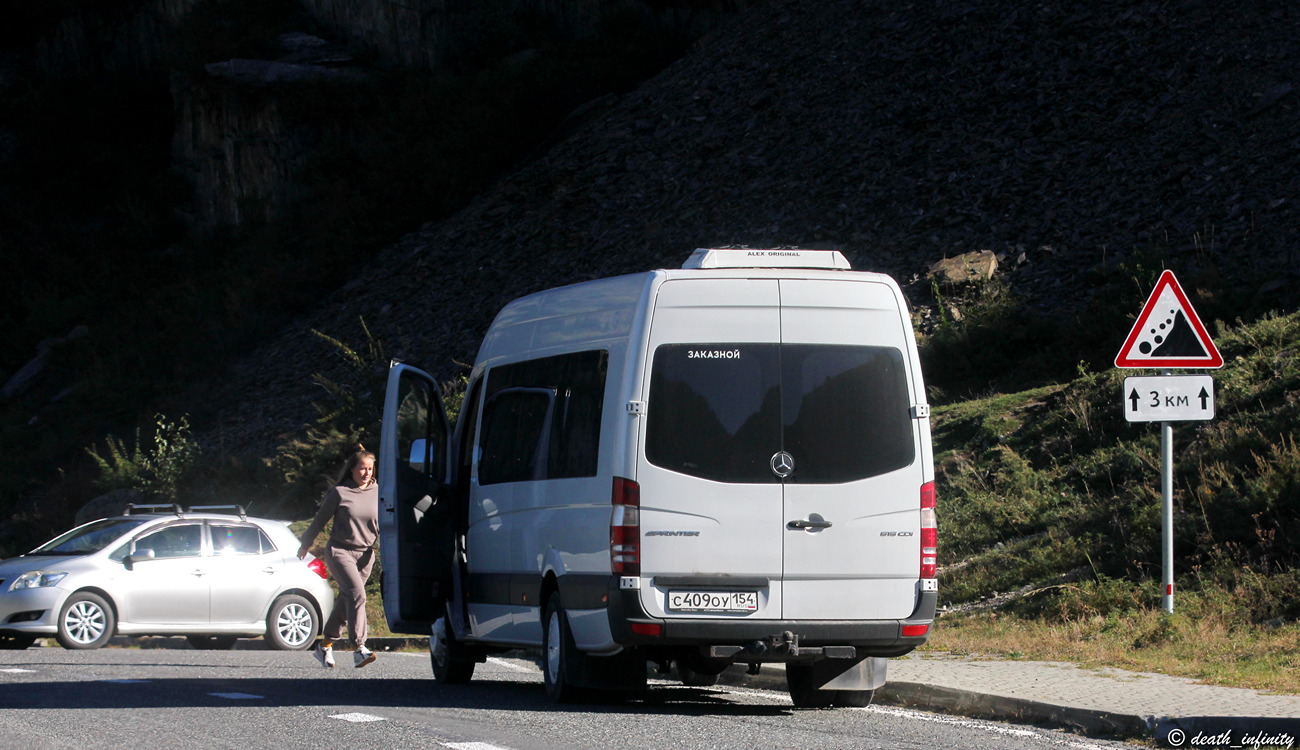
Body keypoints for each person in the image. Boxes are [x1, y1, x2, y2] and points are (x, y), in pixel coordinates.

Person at [298, 446, 379, 669]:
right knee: (357, 594)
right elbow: (319, 520)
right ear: (352, 469)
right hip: (340, 551)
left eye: (370, 469)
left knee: (347, 601)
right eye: (362, 469)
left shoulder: (379, 491)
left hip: (366, 554)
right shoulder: (340, 492)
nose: (366, 473)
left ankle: (324, 645)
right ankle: (359, 648)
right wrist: (306, 544)